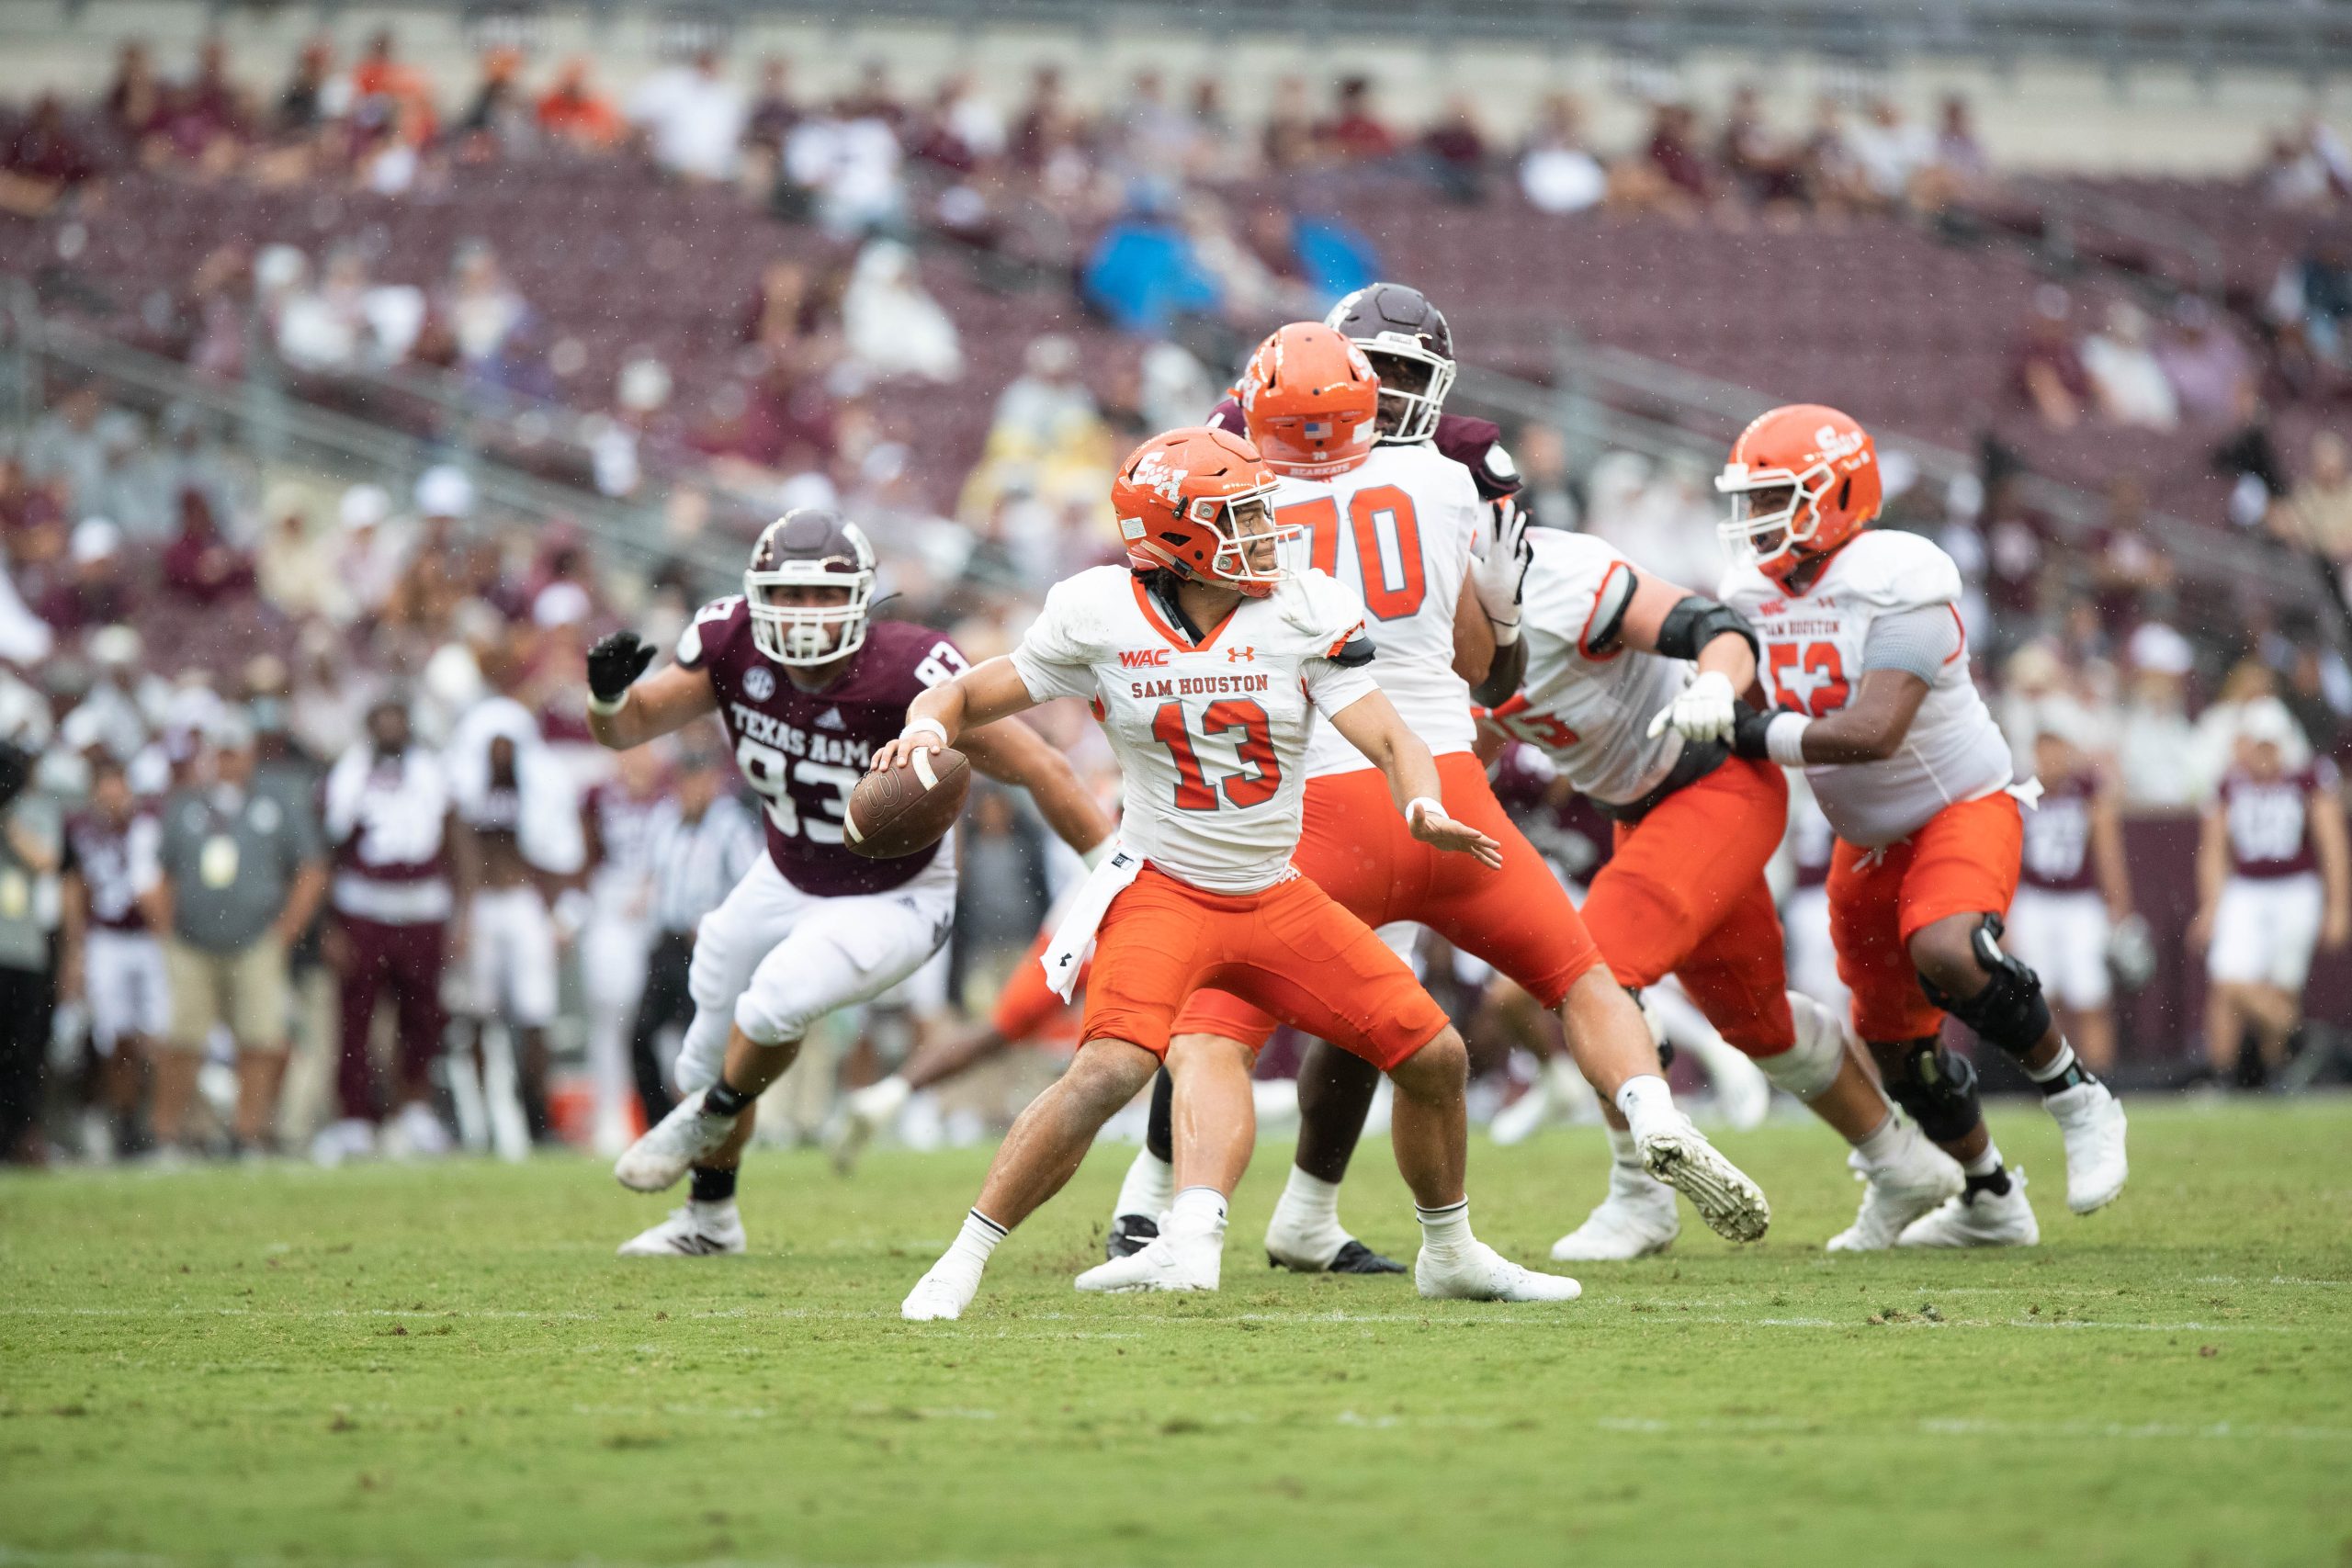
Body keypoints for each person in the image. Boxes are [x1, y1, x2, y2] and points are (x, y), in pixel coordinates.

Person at [1085, 327, 1765, 1293]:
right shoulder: (1447, 485)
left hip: (1311, 805)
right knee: (1578, 979)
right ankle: (1647, 1109)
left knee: (1213, 1031)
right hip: (1447, 792)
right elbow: (1487, 665)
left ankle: (1185, 1224)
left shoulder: (1240, 505)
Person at [886, 426, 1582, 1321]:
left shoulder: (1299, 604)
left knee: (1435, 1054)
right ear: (1175, 537)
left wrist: (1419, 800)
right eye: (1241, 515)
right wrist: (926, 729)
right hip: (1164, 888)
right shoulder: (1098, 611)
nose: (1265, 528)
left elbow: (1390, 733)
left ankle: (1448, 1251)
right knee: (1107, 1071)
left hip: (1274, 890)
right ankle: (963, 1258)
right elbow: (974, 690)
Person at [585, 509, 1115, 1258]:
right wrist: (607, 699)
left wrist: (1110, 867)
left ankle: (715, 1112)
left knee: (773, 1003)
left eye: (821, 597)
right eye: (789, 595)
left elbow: (1040, 766)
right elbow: (631, 726)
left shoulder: (908, 672)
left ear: (863, 599)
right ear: (756, 595)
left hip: (894, 894)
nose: (803, 614)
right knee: (699, 1055)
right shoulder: (730, 645)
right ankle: (710, 1218)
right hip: (785, 870)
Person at [1479, 518, 1962, 1257]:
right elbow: (1472, 736)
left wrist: (1712, 682)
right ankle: (1900, 1162)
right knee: (1758, 1025)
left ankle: (1639, 1197)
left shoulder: (1560, 577)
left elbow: (1720, 628)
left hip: (1711, 780)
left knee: (1590, 975)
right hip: (1642, 814)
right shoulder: (1429, 619)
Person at [1717, 403, 2130, 1246]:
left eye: (1773, 498)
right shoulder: (1750, 594)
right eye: (1751, 500)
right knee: (1892, 1039)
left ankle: (2078, 1097)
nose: (1756, 519)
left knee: (1946, 949)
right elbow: (1738, 701)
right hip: (1865, 841)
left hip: (1959, 806)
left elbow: (1873, 733)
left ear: (1832, 495)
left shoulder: (1902, 576)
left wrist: (1745, 725)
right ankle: (1988, 1195)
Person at [143, 711, 326, 1157]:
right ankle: (168, 1135)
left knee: (261, 1041)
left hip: (255, 939)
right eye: (220, 754)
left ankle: (248, 1135)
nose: (227, 763)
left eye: (234, 753)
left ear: (249, 754)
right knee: (183, 1040)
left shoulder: (276, 802)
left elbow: (312, 870)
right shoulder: (185, 804)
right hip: (191, 942)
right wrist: (167, 933)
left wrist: (286, 931)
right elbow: (160, 875)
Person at [316, 694, 475, 1164]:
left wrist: (464, 913)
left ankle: (414, 1111)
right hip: (362, 908)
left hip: (422, 908)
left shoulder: (433, 770)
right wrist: (330, 924)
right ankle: (354, 1118)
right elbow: (328, 848)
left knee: (423, 1017)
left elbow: (455, 838)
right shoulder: (347, 773)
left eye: (396, 718)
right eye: (381, 718)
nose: (389, 726)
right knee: (356, 1017)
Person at [2191, 698, 2351, 1086]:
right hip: (2246, 888)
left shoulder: (2307, 778)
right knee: (2229, 979)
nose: (2263, 753)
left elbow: (2332, 845)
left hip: (2296, 888)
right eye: (2256, 743)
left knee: (2281, 983)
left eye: (2270, 744)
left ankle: (2278, 1072)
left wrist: (2339, 907)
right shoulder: (2230, 782)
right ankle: (2251, 1062)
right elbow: (2213, 850)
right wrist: (2211, 906)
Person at [623, 738, 762, 1145]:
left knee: (698, 1041)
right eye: (688, 777)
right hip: (665, 945)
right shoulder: (664, 821)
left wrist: (718, 922)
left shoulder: (731, 826)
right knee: (640, 1035)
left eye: (701, 777)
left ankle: (702, 1126)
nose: (694, 787)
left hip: (702, 948)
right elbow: (654, 876)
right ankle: (660, 1124)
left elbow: (751, 887)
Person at [2005, 711, 2138, 1075]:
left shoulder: (2088, 789)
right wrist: (2004, 914)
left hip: (2080, 902)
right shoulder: (2019, 790)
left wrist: (2119, 905)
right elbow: (2007, 857)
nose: (2050, 757)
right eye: (2044, 748)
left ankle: (2099, 1076)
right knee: (2042, 1001)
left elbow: (2108, 851)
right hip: (2034, 901)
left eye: (2057, 747)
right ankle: (2056, 1079)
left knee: (2089, 995)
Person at [60, 755, 167, 1156]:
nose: (111, 797)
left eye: (116, 787)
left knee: (158, 1035)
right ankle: (124, 1120)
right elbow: (76, 886)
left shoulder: (149, 824)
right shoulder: (79, 827)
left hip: (150, 937)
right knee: (115, 1035)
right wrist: (76, 947)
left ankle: (156, 1122)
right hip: (105, 938)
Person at [578, 742, 670, 1155]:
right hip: (613, 908)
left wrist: (656, 889)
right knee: (612, 1010)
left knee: (666, 1019)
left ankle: (669, 1112)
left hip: (663, 914)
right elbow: (585, 858)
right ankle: (611, 1113)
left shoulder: (672, 796)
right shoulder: (597, 798)